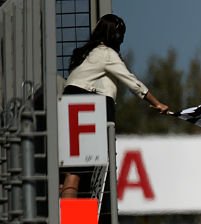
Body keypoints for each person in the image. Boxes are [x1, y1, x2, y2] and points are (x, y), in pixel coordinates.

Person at [59, 14, 171, 199]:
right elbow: (133, 83)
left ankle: (72, 222)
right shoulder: (107, 54)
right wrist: (157, 103)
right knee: (77, 173)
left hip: (72, 105)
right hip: (86, 109)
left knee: (74, 173)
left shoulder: (87, 54)